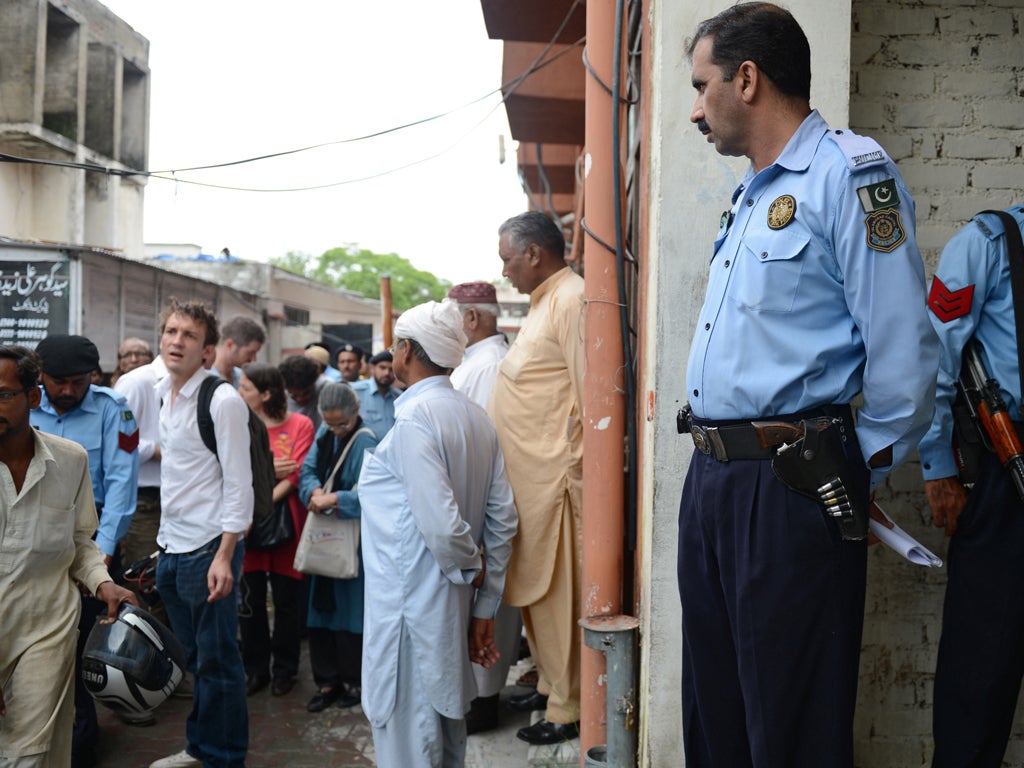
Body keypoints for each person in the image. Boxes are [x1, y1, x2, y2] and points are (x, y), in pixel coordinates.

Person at [677, 5, 938, 767]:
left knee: (789, 730)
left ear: (747, 79)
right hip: (715, 483)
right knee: (716, 716)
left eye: (702, 85)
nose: (695, 109)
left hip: (792, 488)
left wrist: (850, 472)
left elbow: (904, 354)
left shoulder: (851, 176)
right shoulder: (755, 193)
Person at [359, 300, 517, 767]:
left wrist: (472, 572)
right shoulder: (475, 418)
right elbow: (502, 520)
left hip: (410, 617)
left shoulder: (415, 420)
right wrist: (484, 602)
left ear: (406, 350)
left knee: (411, 744)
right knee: (443, 740)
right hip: (444, 612)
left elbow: (445, 529)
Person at [918, 203, 1024, 767]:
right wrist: (937, 467)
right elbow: (935, 356)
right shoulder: (989, 242)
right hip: (1006, 476)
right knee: (979, 672)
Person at [0, 345, 137, 767]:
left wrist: (102, 581)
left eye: (3, 394)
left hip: (47, 623)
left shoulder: (69, 460)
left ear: (32, 397)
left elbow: (79, 540)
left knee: (29, 752)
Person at [489, 211, 585, 745]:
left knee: (557, 599)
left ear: (533, 253)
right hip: (529, 485)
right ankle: (550, 682)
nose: (503, 269)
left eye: (506, 258)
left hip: (558, 486)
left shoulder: (572, 299)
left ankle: (567, 707)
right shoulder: (545, 302)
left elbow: (592, 395)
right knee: (535, 601)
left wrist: (578, 479)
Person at [148, 299, 253, 768]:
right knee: (196, 661)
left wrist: (225, 556)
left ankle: (224, 756)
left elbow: (239, 484)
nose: (176, 341)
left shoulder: (223, 400)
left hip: (209, 549)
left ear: (208, 352)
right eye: (171, 331)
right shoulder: (162, 393)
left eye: (189, 336)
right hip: (172, 546)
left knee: (218, 660)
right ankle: (200, 747)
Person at [447, 280, 521, 735]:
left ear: (472, 319)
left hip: (482, 505)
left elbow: (474, 446)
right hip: (474, 505)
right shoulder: (476, 362)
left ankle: (483, 703)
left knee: (485, 609)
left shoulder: (486, 365)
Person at [296, 382, 378, 713]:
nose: (336, 430)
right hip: (323, 541)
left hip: (351, 543)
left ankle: (353, 682)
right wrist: (314, 491)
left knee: (350, 617)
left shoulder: (366, 440)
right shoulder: (325, 434)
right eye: (331, 424)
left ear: (356, 412)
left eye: (342, 424)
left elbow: (374, 492)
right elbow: (308, 471)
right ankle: (326, 681)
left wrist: (337, 499)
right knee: (320, 615)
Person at [237, 363, 315, 698]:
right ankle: (256, 669)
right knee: (251, 603)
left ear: (266, 394)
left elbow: (297, 473)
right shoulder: (237, 425)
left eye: (245, 388)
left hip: (288, 528)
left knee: (286, 605)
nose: (239, 394)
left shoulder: (301, 424)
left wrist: (261, 498)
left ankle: (285, 670)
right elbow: (232, 469)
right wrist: (270, 468)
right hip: (247, 528)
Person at [350, 351, 402, 440]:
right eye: (382, 368)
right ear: (372, 368)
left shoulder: (399, 397)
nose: (386, 373)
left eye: (391, 369)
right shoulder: (355, 391)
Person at [211, 316, 265, 387]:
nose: (253, 359)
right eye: (250, 353)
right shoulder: (204, 378)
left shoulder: (243, 379)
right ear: (230, 345)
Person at [280, 354, 326, 430]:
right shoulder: (279, 396)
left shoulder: (326, 389)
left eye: (306, 394)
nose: (300, 399)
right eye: (293, 396)